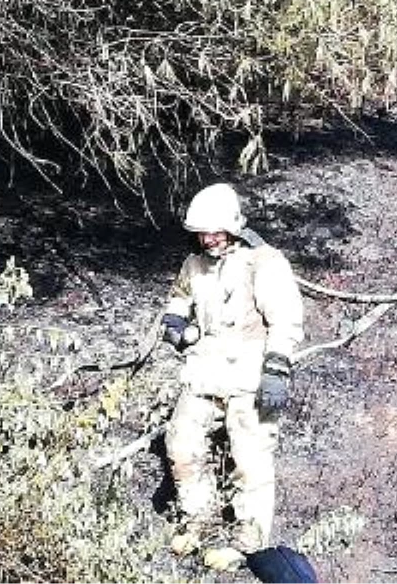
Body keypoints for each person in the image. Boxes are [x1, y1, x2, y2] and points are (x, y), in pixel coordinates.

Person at [162, 183, 305, 571]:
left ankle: (248, 543)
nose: (207, 238)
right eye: (201, 232)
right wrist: (175, 322)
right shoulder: (194, 264)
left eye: (215, 231)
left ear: (233, 226)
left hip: (249, 374)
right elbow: (179, 297)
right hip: (204, 371)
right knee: (181, 444)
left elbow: (286, 319)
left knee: (250, 460)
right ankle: (199, 520)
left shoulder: (264, 262)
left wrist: (277, 367)